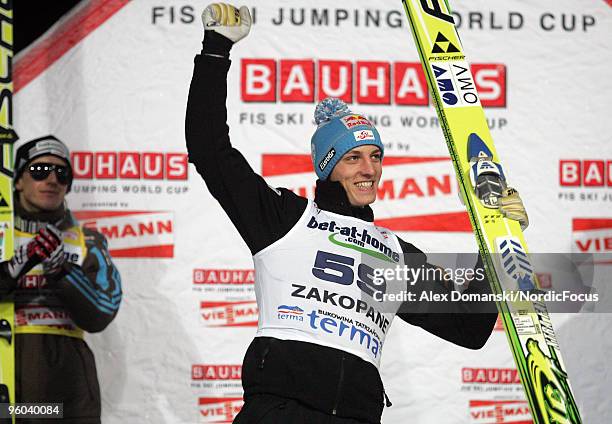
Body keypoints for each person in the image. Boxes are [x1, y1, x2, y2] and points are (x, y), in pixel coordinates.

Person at [186, 4, 529, 423]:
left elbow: (469, 328)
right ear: (328, 166)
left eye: (375, 156)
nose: (369, 169)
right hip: (279, 413)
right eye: (353, 158)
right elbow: (208, 147)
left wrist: (492, 237)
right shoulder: (284, 220)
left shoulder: (393, 252)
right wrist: (216, 48)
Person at [0, 135, 122, 423]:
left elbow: (102, 312)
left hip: (64, 391)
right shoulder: (3, 238)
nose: (52, 179)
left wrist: (62, 271)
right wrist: (12, 268)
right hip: (7, 377)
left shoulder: (86, 240)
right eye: (40, 171)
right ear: (18, 180)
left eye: (62, 173)